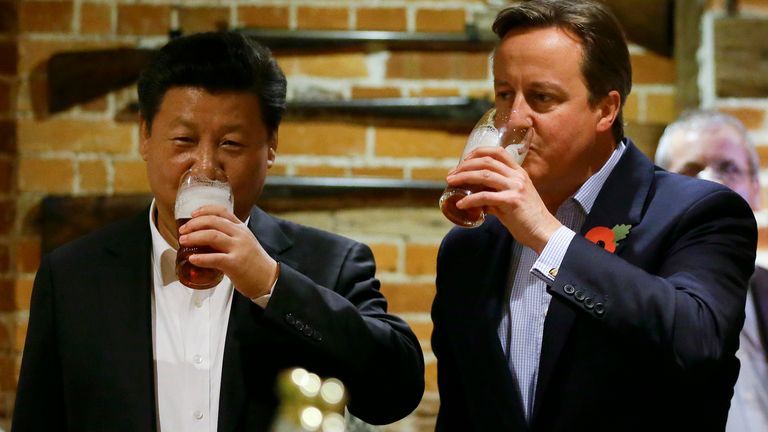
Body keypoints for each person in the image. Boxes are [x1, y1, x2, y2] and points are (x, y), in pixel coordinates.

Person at [12, 31, 424, 431]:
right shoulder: (72, 276)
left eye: (230, 144)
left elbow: (395, 393)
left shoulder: (330, 264)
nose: (205, 167)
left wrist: (270, 283)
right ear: (145, 137)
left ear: (271, 146)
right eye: (183, 140)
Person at [430, 1, 757, 430]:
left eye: (542, 98)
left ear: (606, 109)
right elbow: (460, 411)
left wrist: (547, 235)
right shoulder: (469, 246)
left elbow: (697, 342)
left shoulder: (700, 212)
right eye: (505, 94)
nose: (516, 118)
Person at [656, 109, 768, 432]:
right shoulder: (635, 295)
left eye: (728, 168)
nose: (710, 184)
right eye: (691, 171)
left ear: (755, 189)